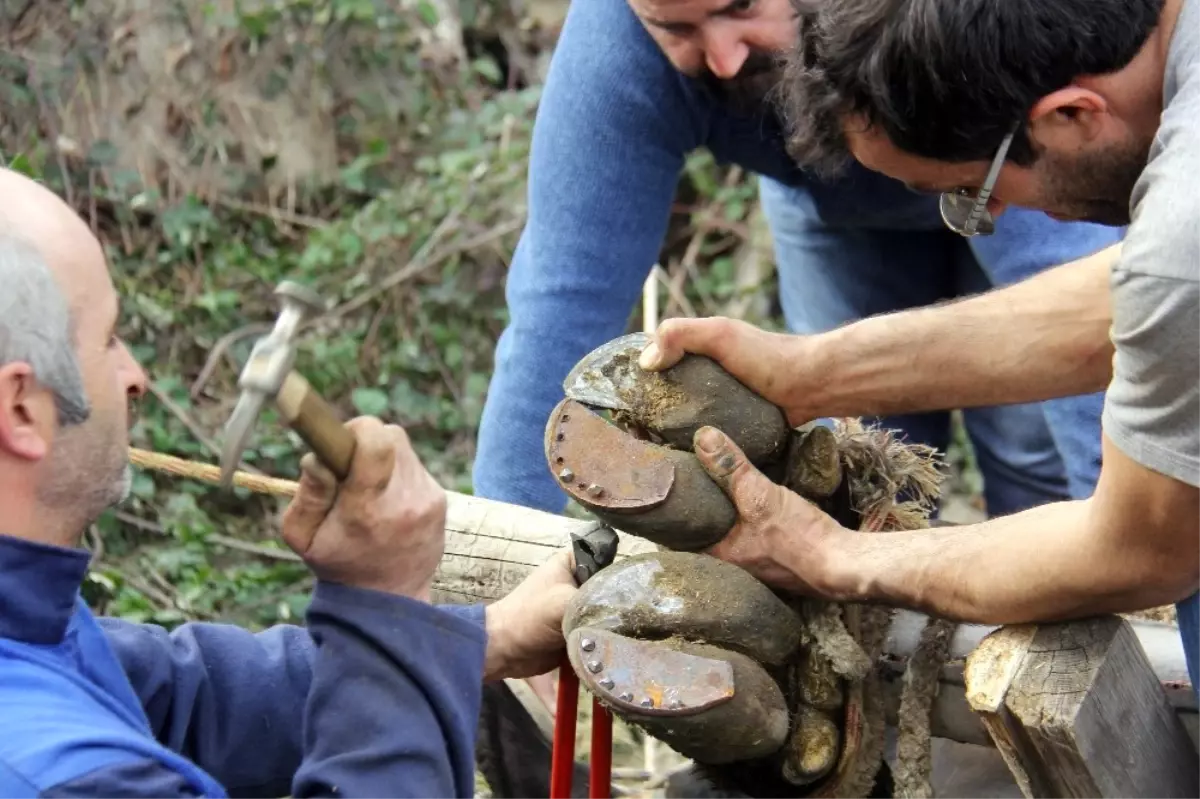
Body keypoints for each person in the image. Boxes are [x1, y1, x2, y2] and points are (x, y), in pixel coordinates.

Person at [635, 0, 1200, 698]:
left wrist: (829, 554)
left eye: (969, 192)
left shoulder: (1185, 231)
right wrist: (807, 375)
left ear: (1072, 116)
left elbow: (1137, 551)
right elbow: (1119, 303)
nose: (990, 215)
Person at [0, 166, 578, 797]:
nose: (135, 374)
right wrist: (389, 603)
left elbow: (189, 701)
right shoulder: (61, 777)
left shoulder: (32, 631)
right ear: (22, 407)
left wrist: (474, 639)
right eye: (108, 339)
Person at [470, 0, 1128, 536]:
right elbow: (562, 305)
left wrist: (1132, 547)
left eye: (741, 7)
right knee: (863, 468)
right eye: (681, 30)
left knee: (1041, 453)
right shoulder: (617, 47)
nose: (725, 59)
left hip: (1013, 172)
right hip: (836, 213)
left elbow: (1108, 329)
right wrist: (501, 570)